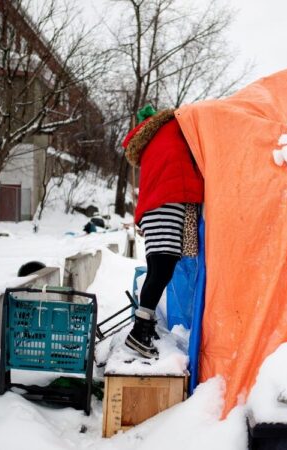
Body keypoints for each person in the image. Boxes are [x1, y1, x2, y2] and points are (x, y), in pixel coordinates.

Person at [122, 105, 203, 359]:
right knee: (162, 269)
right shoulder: (172, 128)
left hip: (154, 207)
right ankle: (140, 333)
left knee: (157, 268)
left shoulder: (152, 140)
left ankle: (144, 327)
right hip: (167, 204)